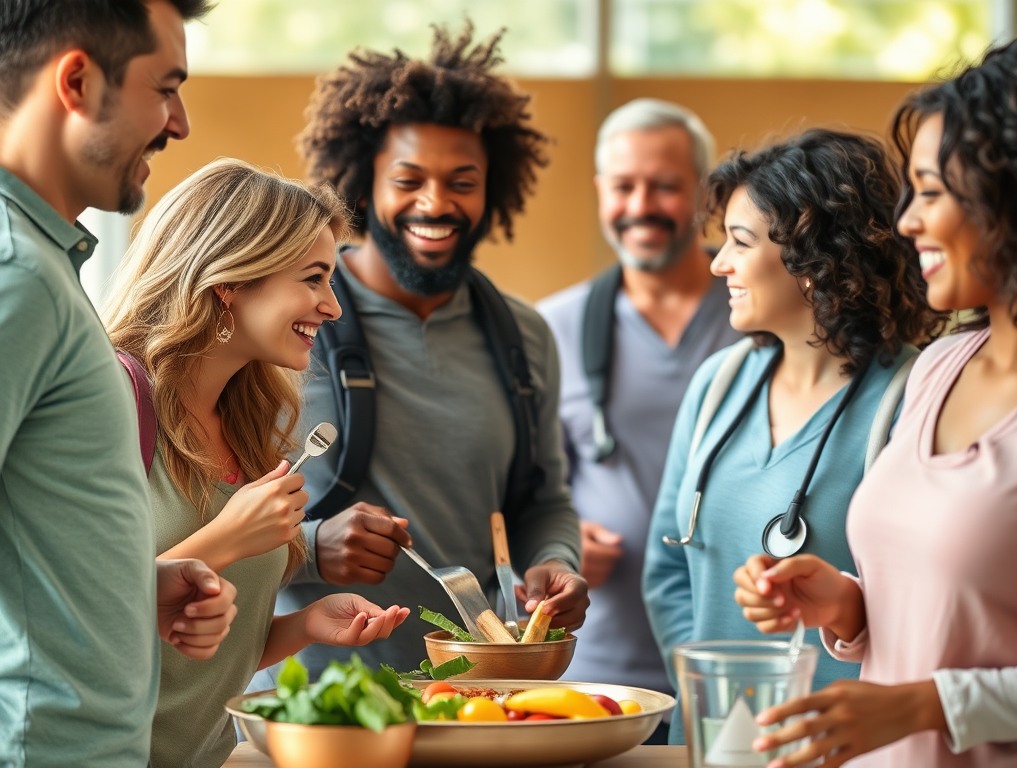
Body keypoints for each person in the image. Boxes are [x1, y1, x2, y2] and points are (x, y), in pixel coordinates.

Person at [253, 24, 588, 681]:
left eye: (462, 181)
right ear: (362, 186)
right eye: (408, 179)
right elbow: (206, 505)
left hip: (475, 698)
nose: (436, 203)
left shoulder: (525, 335)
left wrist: (556, 560)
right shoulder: (289, 319)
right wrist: (315, 547)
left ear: (492, 190)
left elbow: (542, 498)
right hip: (314, 698)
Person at [733, 38, 1017, 768]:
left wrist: (926, 705)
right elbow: (953, 614)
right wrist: (847, 606)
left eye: (932, 191)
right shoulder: (941, 366)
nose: (907, 222)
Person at [103, 158, 411, 768]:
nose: (332, 307)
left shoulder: (248, 426)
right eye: (314, 278)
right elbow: (72, 611)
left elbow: (194, 657)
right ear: (230, 281)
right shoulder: (111, 402)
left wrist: (304, 627)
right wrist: (226, 538)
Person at [642, 129, 944, 743]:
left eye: (740, 242)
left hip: (839, 748)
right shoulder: (717, 386)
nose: (718, 262)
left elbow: (931, 609)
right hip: (715, 743)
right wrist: (723, 703)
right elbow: (667, 570)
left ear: (811, 252)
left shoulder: (914, 399)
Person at [0, 3, 241, 768]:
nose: (180, 123)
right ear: (77, 81)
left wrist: (126, 588)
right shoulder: (19, 277)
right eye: (165, 88)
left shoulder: (46, 267)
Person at [536, 98, 741, 731]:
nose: (640, 205)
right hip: (596, 680)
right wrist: (563, 544)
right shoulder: (552, 328)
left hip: (735, 665)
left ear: (705, 194)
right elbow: (528, 494)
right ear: (601, 191)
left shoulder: (755, 318)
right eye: (624, 186)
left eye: (665, 186)